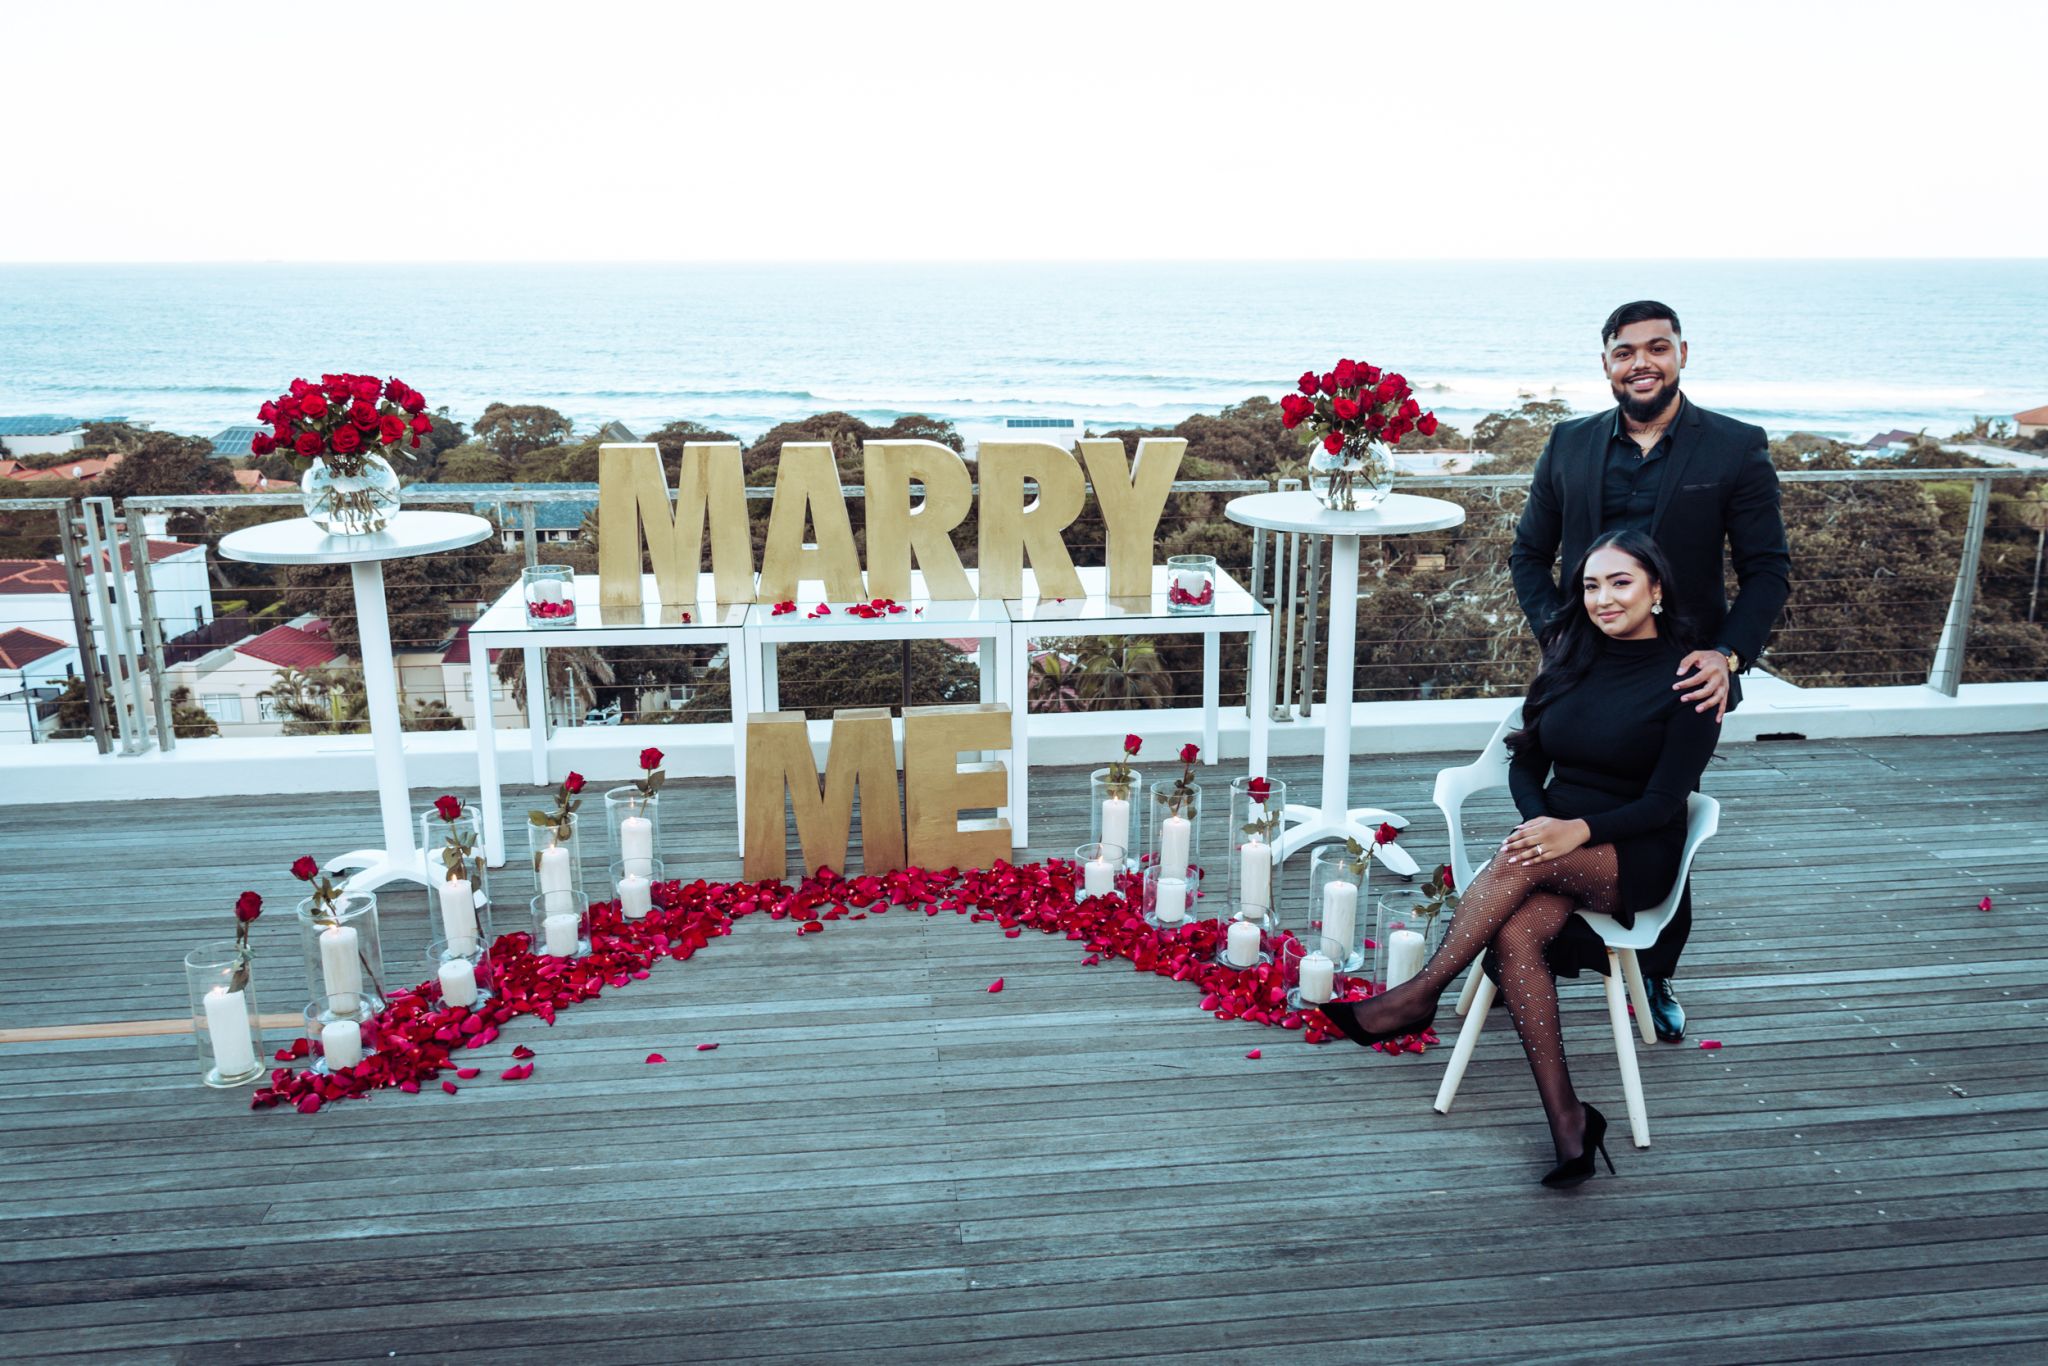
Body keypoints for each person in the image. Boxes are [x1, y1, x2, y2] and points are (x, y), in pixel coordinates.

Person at [1320, 530, 1721, 1187]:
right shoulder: (1572, 655)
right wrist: (1545, 820)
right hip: (1553, 841)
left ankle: (1419, 995)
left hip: (1632, 852)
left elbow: (1662, 802)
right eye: (1591, 585)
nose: (1603, 598)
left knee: (1521, 859)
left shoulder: (1691, 682)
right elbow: (1528, 753)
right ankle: (1570, 1122)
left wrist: (1574, 830)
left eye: (1620, 582)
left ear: (1657, 590)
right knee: (1514, 932)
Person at [1507, 300, 1790, 1041]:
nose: (1641, 362)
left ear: (1681, 355)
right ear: (1605, 364)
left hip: (1681, 671)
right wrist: (1560, 632)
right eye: (1624, 351)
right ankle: (1529, 949)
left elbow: (1766, 571)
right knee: (1564, 786)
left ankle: (1651, 973)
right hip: (1583, 661)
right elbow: (1528, 557)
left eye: (1656, 348)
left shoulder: (1733, 447)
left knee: (1665, 805)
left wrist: (1726, 656)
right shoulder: (1567, 443)